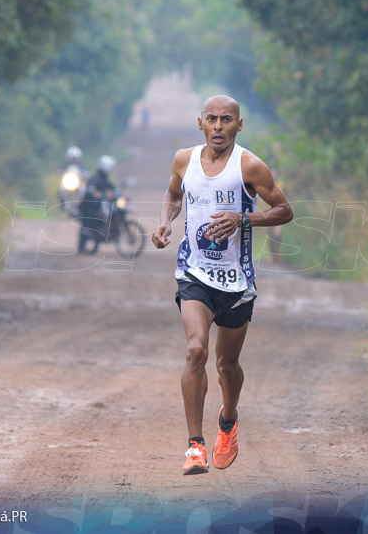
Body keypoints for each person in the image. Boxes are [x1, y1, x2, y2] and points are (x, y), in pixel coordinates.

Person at [151, 95, 292, 475]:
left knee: (227, 365)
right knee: (195, 350)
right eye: (211, 119)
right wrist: (166, 221)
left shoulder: (249, 165)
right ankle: (195, 446)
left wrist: (242, 219)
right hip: (194, 272)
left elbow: (284, 211)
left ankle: (227, 421)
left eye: (226, 120)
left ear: (239, 125)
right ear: (200, 123)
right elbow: (173, 194)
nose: (218, 127)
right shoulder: (184, 159)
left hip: (236, 280)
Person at [78, 155, 118, 253]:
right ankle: (81, 247)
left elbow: (112, 186)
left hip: (99, 205)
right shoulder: (94, 178)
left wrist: (118, 192)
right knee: (88, 224)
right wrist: (101, 195)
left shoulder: (104, 178)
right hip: (90, 207)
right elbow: (91, 190)